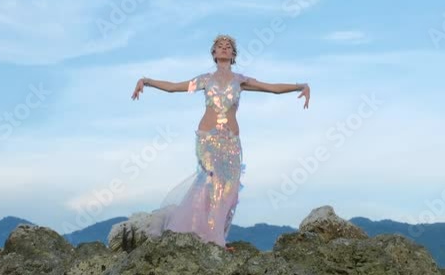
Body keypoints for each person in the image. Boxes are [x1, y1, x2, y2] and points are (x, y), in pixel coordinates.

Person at [130, 34, 310, 249]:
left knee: (229, 191)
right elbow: (173, 87)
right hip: (208, 139)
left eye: (228, 47)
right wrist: (146, 81)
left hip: (232, 142)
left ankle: (216, 236)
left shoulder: (240, 81)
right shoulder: (205, 80)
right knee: (211, 183)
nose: (224, 49)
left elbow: (271, 87)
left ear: (233, 55)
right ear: (214, 54)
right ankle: (209, 238)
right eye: (219, 46)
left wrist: (300, 86)